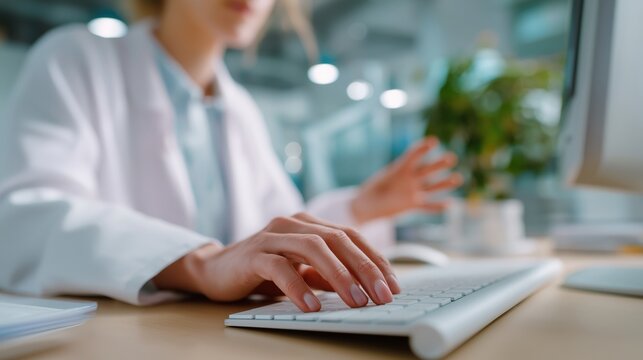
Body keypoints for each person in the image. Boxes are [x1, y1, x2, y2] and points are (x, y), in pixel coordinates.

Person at [0, 0, 460, 312]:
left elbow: (264, 238)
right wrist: (198, 263)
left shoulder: (240, 110)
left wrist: (362, 206)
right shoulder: (76, 59)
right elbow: (23, 220)